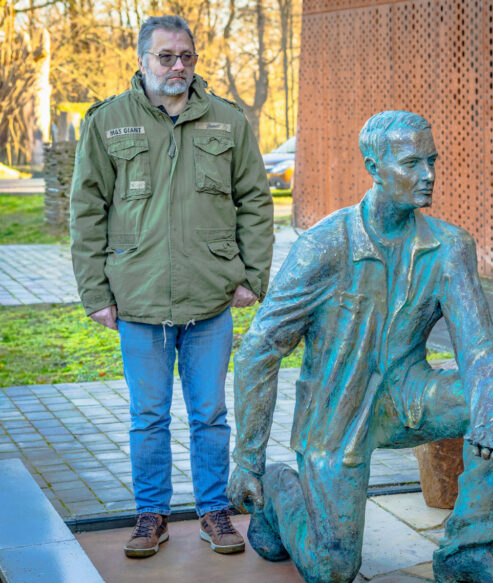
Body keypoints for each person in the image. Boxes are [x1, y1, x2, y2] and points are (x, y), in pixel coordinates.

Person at [227, 111, 493, 583]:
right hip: (336, 413)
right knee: (333, 569)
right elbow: (259, 350)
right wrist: (248, 459)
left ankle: (466, 549)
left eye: (431, 161)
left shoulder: (449, 247)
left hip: (408, 396)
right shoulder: (324, 246)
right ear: (373, 167)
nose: (428, 174)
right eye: (411, 163)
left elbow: (477, 349)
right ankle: (278, 490)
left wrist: (489, 410)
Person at [69, 15, 274, 558]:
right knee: (148, 418)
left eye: (186, 56)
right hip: (138, 299)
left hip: (210, 299)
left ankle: (214, 511)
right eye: (166, 56)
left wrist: (252, 276)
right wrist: (96, 294)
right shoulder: (108, 122)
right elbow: (86, 210)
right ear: (142, 61)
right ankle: (151, 515)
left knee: (210, 416)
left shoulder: (228, 121)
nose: (178, 66)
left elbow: (256, 201)